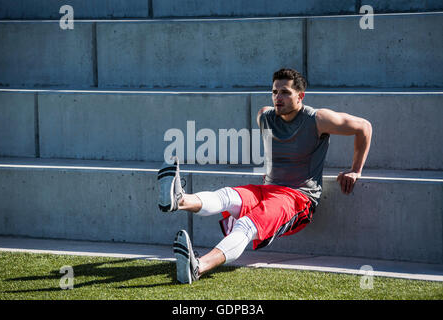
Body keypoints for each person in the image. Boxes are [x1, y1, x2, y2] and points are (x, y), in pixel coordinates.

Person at [157, 68, 372, 284]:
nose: (278, 97)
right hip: (266, 189)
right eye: (275, 92)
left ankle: (199, 266)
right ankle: (180, 200)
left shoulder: (318, 119)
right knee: (226, 196)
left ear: (301, 96)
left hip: (297, 198)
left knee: (246, 225)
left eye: (285, 92)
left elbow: (364, 127)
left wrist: (356, 170)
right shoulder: (265, 116)